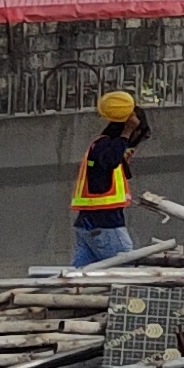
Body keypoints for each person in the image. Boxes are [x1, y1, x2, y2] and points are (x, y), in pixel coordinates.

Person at [71, 89, 151, 265]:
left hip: (88, 225)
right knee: (126, 271)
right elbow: (110, 160)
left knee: (81, 278)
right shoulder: (107, 146)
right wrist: (127, 132)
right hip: (105, 225)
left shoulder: (100, 145)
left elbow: (109, 168)